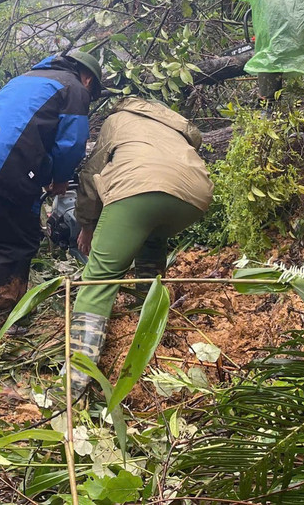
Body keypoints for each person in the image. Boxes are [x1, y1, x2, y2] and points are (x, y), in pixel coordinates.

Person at [67, 97, 213, 397]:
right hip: (195, 198)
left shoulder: (117, 121)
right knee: (153, 237)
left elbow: (91, 175)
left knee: (99, 278)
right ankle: (151, 319)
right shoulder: (172, 128)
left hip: (138, 188)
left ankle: (74, 384)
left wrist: (87, 225)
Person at [0, 49, 102, 329]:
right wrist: (60, 177)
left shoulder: (25, 78)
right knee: (17, 244)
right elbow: (71, 143)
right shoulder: (74, 88)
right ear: (88, 79)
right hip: (9, 168)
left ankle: (0, 309)